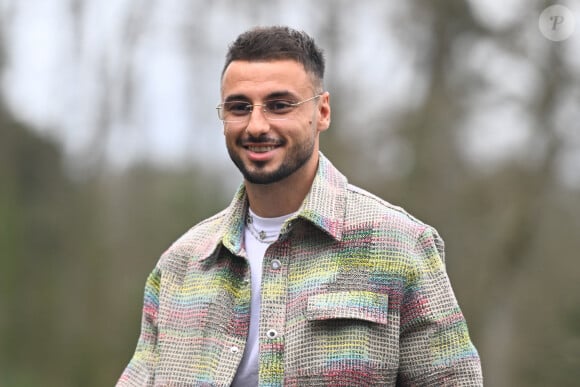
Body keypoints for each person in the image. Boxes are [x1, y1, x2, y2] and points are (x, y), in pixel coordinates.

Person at [117, 25, 483, 386]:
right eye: (239, 107)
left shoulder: (400, 246)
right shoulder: (179, 267)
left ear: (322, 112)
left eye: (279, 105)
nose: (256, 125)